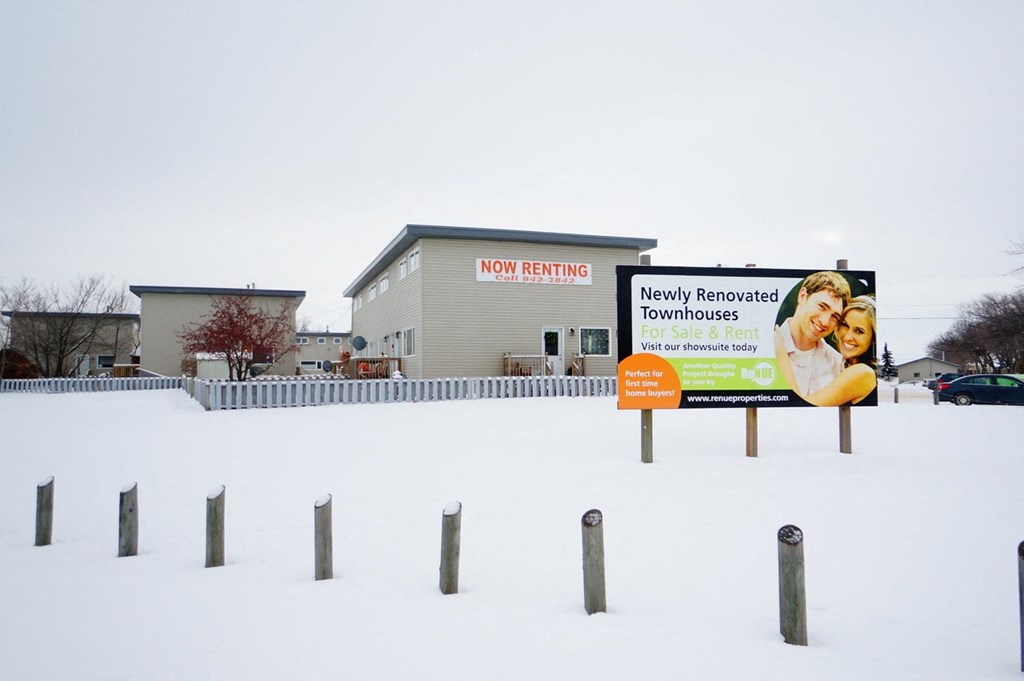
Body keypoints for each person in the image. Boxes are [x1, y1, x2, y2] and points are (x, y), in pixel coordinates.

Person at [774, 271, 852, 395]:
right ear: (803, 296)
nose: (825, 321)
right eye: (822, 306)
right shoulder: (765, 347)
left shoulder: (838, 364)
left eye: (835, 317)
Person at [794, 295, 877, 406]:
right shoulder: (844, 365)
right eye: (845, 325)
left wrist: (779, 351)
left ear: (873, 338)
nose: (847, 337)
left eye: (859, 331)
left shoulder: (862, 372)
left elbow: (803, 405)